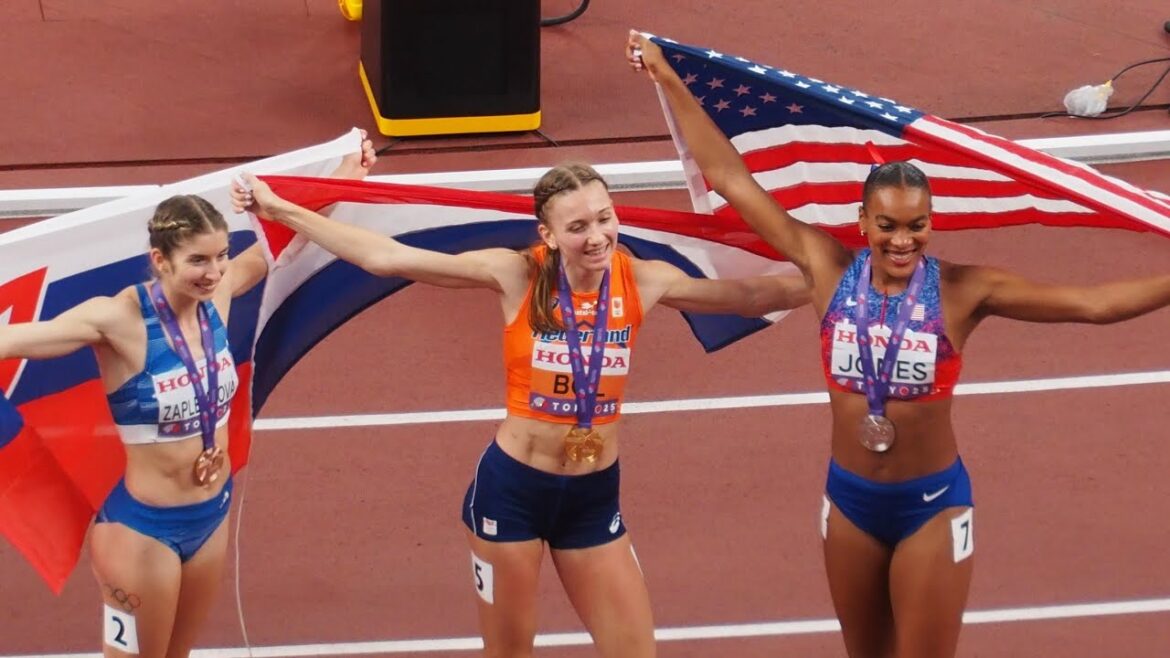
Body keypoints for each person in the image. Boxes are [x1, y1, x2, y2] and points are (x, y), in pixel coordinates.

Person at [628, 30, 1170, 658]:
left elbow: (1094, 306)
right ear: (863, 222)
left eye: (917, 226)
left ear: (932, 224)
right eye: (887, 225)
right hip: (849, 500)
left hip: (931, 507)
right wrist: (669, 77)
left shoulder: (965, 291)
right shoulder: (825, 267)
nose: (902, 241)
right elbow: (729, 177)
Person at [231, 162, 810, 657]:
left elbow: (752, 296)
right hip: (512, 496)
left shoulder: (645, 281)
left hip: (593, 497)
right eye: (578, 227)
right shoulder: (517, 274)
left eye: (604, 218)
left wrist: (837, 269)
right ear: (548, 234)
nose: (597, 237)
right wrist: (281, 210)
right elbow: (387, 258)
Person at [0, 138, 375, 658]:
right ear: (160, 259)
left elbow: (287, 241)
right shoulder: (117, 320)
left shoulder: (216, 297)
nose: (214, 272)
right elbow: (15, 340)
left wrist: (346, 173)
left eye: (221, 256)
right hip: (142, 533)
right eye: (198, 260)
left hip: (211, 515)